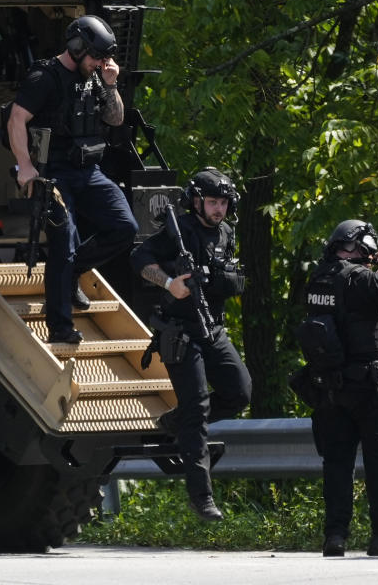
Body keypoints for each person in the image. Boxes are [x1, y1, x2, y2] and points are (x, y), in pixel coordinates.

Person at [129, 167, 251, 522]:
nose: (218, 209)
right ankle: (202, 497)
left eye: (223, 203)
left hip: (213, 329)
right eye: (212, 202)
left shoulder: (227, 232)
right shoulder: (179, 229)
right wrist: (169, 283)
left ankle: (176, 422)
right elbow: (139, 258)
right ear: (196, 201)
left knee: (240, 391)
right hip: (179, 331)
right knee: (197, 409)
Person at [8, 14, 138, 343]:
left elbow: (116, 118)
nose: (100, 63)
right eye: (96, 57)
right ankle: (60, 328)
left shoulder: (96, 76)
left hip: (89, 171)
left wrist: (110, 85)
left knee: (125, 227)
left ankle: (73, 271)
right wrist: (25, 166)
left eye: (105, 58)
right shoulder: (45, 77)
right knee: (63, 243)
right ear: (77, 48)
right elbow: (16, 119)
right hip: (54, 174)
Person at [297, 219, 378, 558]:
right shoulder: (366, 280)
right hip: (369, 386)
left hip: (328, 387)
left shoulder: (318, 277)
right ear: (364, 247)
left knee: (336, 464)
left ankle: (335, 536)